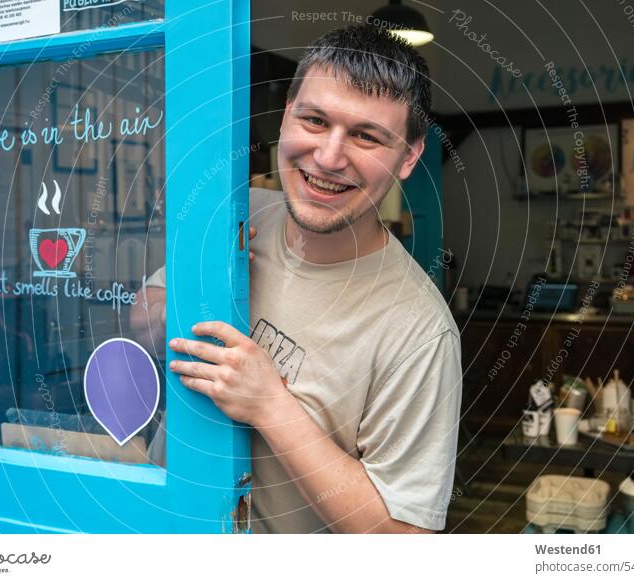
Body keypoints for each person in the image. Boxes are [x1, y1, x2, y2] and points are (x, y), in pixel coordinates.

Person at [131, 24, 461, 533]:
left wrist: (269, 404)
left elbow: (404, 541)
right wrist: (186, 300)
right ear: (287, 117)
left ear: (409, 156)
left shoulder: (419, 331)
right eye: (314, 120)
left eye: (366, 135)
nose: (329, 157)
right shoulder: (236, 219)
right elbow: (144, 317)